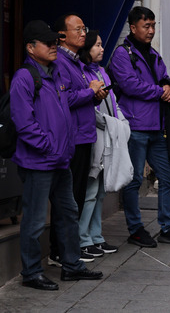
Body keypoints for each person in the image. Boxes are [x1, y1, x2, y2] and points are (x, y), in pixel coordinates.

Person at [11, 20, 103, 291]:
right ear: (30, 47)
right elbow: (25, 124)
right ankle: (31, 272)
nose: (53, 46)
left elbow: (66, 111)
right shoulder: (24, 78)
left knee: (68, 213)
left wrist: (65, 148)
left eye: (55, 41)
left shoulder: (56, 74)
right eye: (47, 42)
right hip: (39, 162)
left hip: (61, 160)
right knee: (36, 220)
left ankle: (72, 266)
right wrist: (51, 146)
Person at [109, 6, 170, 247]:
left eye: (153, 25)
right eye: (146, 26)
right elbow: (130, 85)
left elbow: (164, 79)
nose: (151, 31)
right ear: (133, 27)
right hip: (135, 127)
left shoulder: (154, 54)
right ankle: (136, 229)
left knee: (167, 177)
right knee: (134, 179)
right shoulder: (122, 55)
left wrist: (168, 88)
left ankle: (168, 226)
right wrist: (160, 91)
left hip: (157, 127)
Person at [48, 13, 108, 265]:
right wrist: (89, 92)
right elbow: (65, 99)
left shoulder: (78, 63)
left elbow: (81, 95)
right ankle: (60, 251)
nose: (84, 33)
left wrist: (96, 95)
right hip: (72, 137)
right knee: (69, 198)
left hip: (85, 135)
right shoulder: (60, 62)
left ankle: (71, 248)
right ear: (62, 35)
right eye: (78, 29)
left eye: (84, 28)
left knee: (79, 196)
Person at [78, 30, 130, 258]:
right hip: (95, 137)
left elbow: (113, 101)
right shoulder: (82, 73)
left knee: (99, 192)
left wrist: (122, 123)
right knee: (90, 190)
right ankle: (83, 239)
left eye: (101, 44)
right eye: (97, 45)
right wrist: (111, 124)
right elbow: (91, 109)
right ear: (87, 48)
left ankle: (96, 237)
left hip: (109, 134)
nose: (101, 49)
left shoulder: (102, 72)